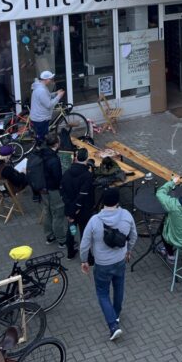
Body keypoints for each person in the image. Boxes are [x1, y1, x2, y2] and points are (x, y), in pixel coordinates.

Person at [80, 187, 137, 342]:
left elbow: (85, 243)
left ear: (103, 201)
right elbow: (134, 235)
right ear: (118, 200)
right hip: (120, 261)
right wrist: (128, 250)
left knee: (102, 293)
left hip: (102, 265)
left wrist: (84, 260)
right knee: (119, 287)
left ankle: (113, 325)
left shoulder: (95, 220)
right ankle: (116, 314)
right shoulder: (126, 215)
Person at [61, 149, 95, 259]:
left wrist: (71, 209)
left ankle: (70, 253)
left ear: (75, 158)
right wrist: (77, 208)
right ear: (86, 158)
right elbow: (83, 194)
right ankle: (88, 257)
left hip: (70, 211)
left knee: (72, 231)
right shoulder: (87, 175)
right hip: (83, 211)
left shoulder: (66, 173)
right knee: (85, 234)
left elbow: (63, 192)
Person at [38, 133, 66, 245]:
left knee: (47, 211)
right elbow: (58, 178)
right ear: (56, 144)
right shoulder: (54, 160)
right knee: (58, 213)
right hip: (53, 190)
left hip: (43, 188)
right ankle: (61, 240)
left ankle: (49, 236)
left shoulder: (41, 152)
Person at [29, 70, 64, 142]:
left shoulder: (41, 87)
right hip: (41, 119)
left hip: (39, 117)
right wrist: (59, 97)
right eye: (50, 79)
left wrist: (55, 93)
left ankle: (40, 149)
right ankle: (40, 151)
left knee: (41, 136)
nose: (51, 81)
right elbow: (49, 105)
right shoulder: (41, 90)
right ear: (45, 79)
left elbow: (47, 96)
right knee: (42, 138)